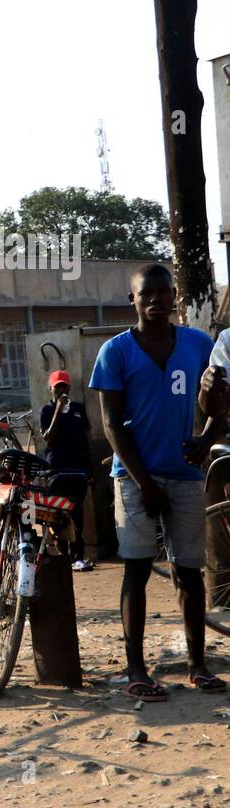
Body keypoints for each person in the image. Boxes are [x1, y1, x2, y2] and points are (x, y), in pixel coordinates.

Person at [88, 263, 228, 701]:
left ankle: (197, 665)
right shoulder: (115, 352)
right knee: (136, 570)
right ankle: (136, 670)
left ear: (174, 298)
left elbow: (219, 400)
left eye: (163, 292)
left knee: (189, 572)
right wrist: (144, 482)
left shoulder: (198, 344)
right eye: (146, 294)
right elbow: (111, 425)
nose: (156, 300)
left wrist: (206, 440)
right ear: (132, 300)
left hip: (186, 476)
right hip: (133, 479)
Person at [39, 370, 94, 572]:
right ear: (51, 389)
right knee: (57, 514)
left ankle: (78, 556)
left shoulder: (78, 409)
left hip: (77, 471)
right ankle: (62, 556)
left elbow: (86, 441)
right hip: (56, 470)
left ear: (69, 388)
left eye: (64, 386)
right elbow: (48, 437)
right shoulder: (47, 410)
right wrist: (58, 411)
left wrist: (90, 470)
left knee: (77, 514)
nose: (61, 390)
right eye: (57, 387)